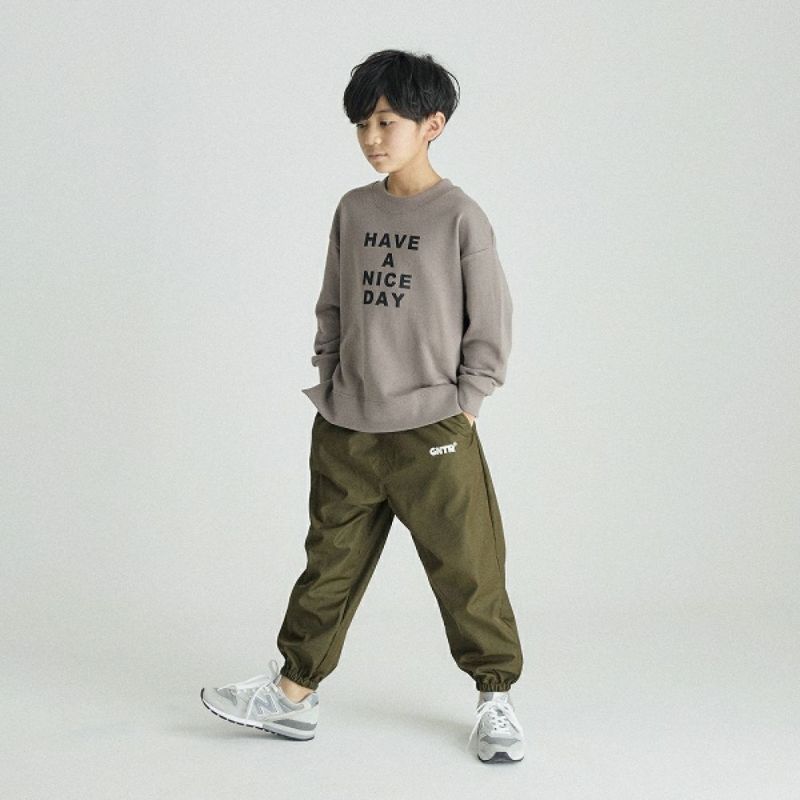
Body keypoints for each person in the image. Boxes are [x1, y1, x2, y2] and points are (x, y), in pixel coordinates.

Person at [201, 48, 525, 763]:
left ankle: (496, 699)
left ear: (432, 124)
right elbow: (334, 306)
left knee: (467, 570)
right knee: (329, 565)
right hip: (347, 425)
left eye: (386, 121)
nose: (372, 138)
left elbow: (491, 322)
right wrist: (333, 378)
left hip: (432, 428)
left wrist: (467, 406)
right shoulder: (353, 209)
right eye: (362, 124)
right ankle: (293, 696)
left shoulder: (460, 216)